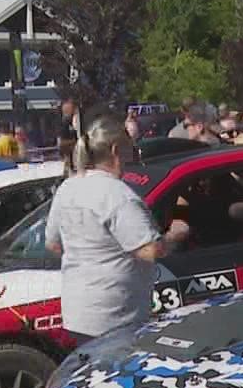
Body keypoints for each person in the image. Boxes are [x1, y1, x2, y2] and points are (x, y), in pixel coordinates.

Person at [45, 116, 187, 345]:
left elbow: (53, 244)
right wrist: (175, 235)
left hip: (77, 313)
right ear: (115, 151)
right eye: (131, 150)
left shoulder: (68, 188)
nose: (134, 157)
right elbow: (149, 250)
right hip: (114, 317)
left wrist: (90, 256)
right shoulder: (119, 195)